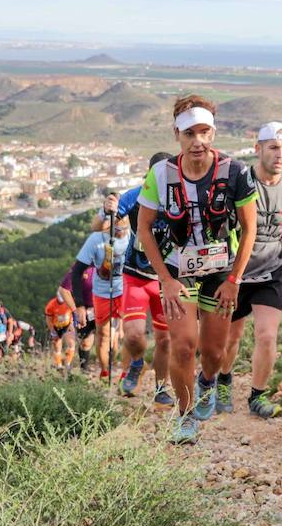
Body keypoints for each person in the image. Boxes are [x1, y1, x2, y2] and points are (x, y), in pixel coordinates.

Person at [136, 94, 259, 444]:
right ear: (177, 135)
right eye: (189, 134)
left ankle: (207, 381)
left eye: (204, 132)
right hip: (178, 269)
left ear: (214, 133)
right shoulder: (161, 175)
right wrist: (165, 279)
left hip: (222, 271)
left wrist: (235, 279)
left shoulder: (235, 172)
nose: (197, 141)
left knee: (213, 352)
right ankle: (186, 415)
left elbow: (250, 228)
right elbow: (143, 228)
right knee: (183, 346)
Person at [217, 122, 282, 419]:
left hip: (272, 271)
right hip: (236, 273)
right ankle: (223, 380)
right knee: (231, 337)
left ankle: (257, 395)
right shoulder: (241, 183)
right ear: (258, 150)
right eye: (273, 148)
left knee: (267, 336)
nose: (280, 154)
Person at [96, 153, 175, 406]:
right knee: (132, 336)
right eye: (157, 174)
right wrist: (105, 211)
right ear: (149, 174)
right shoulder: (137, 194)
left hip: (168, 280)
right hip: (136, 275)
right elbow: (98, 226)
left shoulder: (181, 197)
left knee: (165, 339)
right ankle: (137, 364)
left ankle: (161, 388)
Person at [72, 216, 130, 382]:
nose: (122, 233)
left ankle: (127, 374)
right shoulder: (97, 240)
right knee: (103, 334)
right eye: (118, 230)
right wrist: (79, 305)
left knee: (130, 332)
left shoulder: (133, 235)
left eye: (125, 230)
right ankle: (105, 371)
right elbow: (76, 271)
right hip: (103, 292)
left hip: (125, 288)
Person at [44, 290, 76, 373]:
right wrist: (52, 330)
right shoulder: (51, 305)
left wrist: (72, 323)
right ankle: (59, 365)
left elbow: (74, 312)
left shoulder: (69, 301)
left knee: (71, 343)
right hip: (56, 327)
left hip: (67, 325)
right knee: (57, 346)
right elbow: (48, 319)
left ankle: (67, 363)